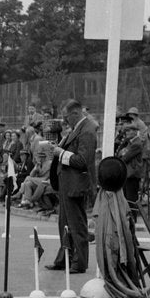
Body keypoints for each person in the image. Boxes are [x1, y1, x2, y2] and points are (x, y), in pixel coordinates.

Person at [45, 99, 97, 274]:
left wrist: (61, 153)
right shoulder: (78, 128)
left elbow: (83, 161)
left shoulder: (88, 130)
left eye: (66, 117)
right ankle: (64, 259)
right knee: (64, 223)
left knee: (77, 224)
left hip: (76, 183)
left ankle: (80, 262)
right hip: (66, 183)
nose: (65, 121)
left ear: (75, 113)